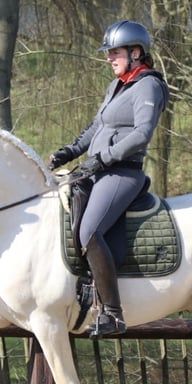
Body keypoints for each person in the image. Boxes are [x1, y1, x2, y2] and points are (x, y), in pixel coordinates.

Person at [47, 20, 170, 338]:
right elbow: (97, 126)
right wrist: (69, 151)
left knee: (88, 230)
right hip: (98, 169)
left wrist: (104, 157)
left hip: (122, 172)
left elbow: (142, 134)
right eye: (108, 53)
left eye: (114, 52)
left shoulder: (148, 85)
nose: (108, 58)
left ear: (136, 52)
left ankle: (113, 314)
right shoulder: (118, 86)